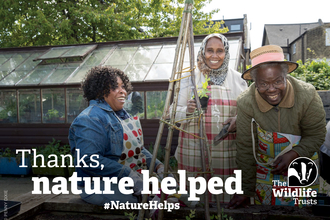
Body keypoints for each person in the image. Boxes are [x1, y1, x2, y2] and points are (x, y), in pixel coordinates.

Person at [227, 45, 326, 208]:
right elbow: (245, 147)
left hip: (302, 163)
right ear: (254, 82)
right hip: (267, 167)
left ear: (285, 75)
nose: (271, 90)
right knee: (267, 210)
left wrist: (295, 154)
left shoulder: (307, 94)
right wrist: (245, 190)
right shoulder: (246, 102)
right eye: (263, 84)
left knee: (302, 211)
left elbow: (316, 135)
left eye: (278, 81)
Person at [68, 66, 164, 205]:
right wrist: (128, 174)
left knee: (168, 196)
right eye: (115, 87)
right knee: (150, 203)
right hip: (98, 186)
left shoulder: (122, 115)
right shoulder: (90, 119)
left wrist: (158, 166)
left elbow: (138, 149)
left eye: (123, 87)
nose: (123, 91)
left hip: (125, 180)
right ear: (100, 91)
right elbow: (88, 160)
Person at [171, 33, 248, 203]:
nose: (214, 56)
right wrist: (187, 110)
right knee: (194, 202)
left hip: (225, 154)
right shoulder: (189, 78)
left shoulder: (238, 80)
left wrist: (238, 120)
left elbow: (248, 113)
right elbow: (171, 113)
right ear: (202, 51)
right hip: (193, 152)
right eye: (209, 50)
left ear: (226, 53)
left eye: (220, 51)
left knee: (223, 199)